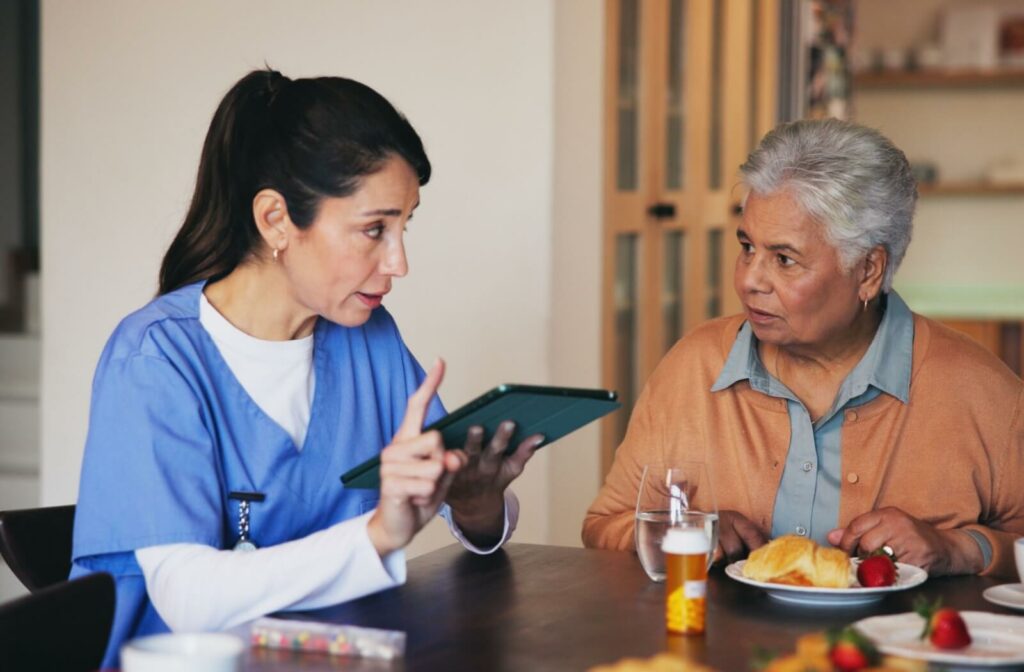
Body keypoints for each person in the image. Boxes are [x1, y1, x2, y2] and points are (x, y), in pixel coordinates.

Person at [70, 69, 543, 667]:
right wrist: (378, 535)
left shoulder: (369, 339)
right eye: (374, 230)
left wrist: (476, 504)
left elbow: (464, 514)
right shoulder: (156, 358)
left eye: (404, 227)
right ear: (275, 220)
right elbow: (185, 596)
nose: (399, 263)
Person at [583, 119, 1024, 578]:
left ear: (869, 270)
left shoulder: (982, 391)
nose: (749, 280)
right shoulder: (693, 367)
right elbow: (605, 525)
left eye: (784, 259)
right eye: (747, 247)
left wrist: (960, 549)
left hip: (895, 651)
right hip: (718, 649)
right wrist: (684, 534)